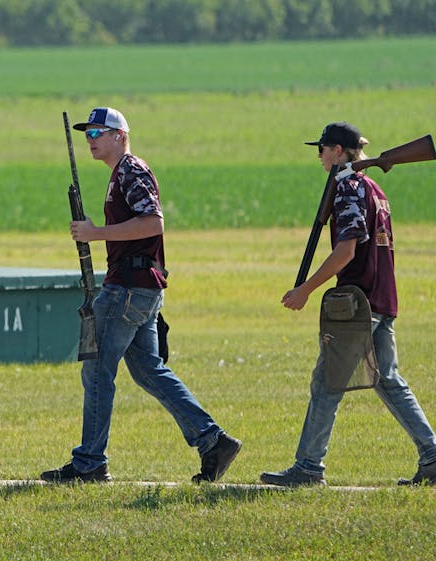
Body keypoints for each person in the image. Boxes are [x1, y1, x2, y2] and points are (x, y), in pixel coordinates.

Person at [42, 107, 241, 483]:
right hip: (139, 287)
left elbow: (152, 222)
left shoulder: (132, 170)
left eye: (98, 132)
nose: (91, 139)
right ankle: (212, 441)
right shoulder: (120, 174)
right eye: (87, 133)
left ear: (120, 135)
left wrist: (95, 233)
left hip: (129, 288)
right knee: (149, 371)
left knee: (98, 371)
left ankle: (89, 463)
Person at [260, 122, 436, 487]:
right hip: (381, 297)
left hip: (358, 303)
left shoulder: (349, 188)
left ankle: (308, 467)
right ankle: (432, 456)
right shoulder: (373, 186)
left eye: (322, 149)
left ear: (337, 151)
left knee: (327, 382)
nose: (319, 156)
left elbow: (346, 250)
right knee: (388, 381)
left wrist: (306, 289)